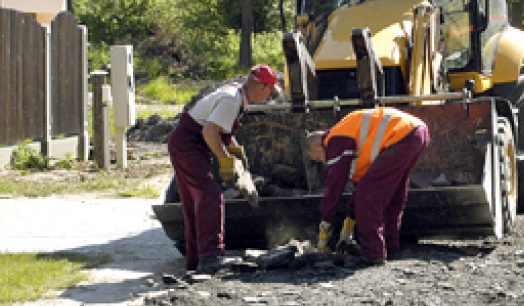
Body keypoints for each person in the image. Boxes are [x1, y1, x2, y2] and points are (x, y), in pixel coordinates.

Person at [167, 64, 279, 274]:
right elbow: (210, 132)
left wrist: (236, 152)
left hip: (184, 141)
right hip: (189, 144)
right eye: (270, 91)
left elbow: (221, 131)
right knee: (210, 195)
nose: (269, 96)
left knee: (193, 202)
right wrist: (226, 161)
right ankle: (211, 257)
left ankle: (195, 260)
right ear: (263, 87)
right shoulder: (232, 99)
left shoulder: (235, 94)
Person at [306, 107, 429, 265]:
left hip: (402, 134)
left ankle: (373, 252)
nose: (323, 162)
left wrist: (326, 220)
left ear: (318, 145)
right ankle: (390, 246)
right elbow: (358, 189)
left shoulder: (335, 140)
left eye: (318, 158)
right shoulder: (352, 140)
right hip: (417, 132)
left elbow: (335, 185)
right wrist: (349, 222)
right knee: (394, 194)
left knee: (369, 196)